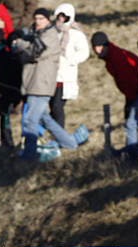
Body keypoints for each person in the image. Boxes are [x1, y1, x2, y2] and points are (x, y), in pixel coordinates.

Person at [14, 8, 87, 161]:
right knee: (44, 119)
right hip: (33, 83)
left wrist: (19, 44)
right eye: (36, 18)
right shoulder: (36, 35)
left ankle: (29, 155)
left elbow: (34, 53)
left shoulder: (49, 35)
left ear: (48, 20)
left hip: (41, 85)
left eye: (41, 18)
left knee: (30, 120)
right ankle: (70, 143)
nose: (37, 21)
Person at [91, 31, 138, 159]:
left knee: (131, 122)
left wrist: (131, 99)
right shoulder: (111, 57)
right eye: (95, 47)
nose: (98, 50)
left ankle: (133, 154)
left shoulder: (116, 57)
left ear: (106, 45)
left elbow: (129, 80)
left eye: (100, 46)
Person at [50, 3, 88, 130]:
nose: (60, 19)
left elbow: (84, 52)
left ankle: (59, 134)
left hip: (65, 77)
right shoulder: (52, 30)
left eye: (63, 16)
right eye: (59, 16)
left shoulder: (76, 34)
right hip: (51, 74)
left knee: (57, 106)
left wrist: (68, 61)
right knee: (50, 106)